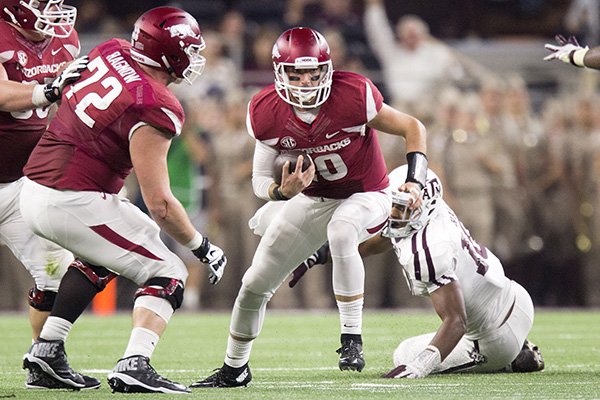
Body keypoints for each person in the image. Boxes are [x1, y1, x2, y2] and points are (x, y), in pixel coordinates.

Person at [191, 26, 428, 388]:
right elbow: (258, 181)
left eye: (314, 73)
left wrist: (414, 179)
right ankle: (234, 368)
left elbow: (413, 127)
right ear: (279, 72)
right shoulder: (265, 110)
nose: (306, 81)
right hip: (313, 199)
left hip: (366, 194)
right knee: (254, 284)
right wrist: (281, 192)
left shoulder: (354, 93)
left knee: (342, 229)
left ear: (327, 69)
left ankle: (351, 338)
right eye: (296, 73)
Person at [19, 6, 227, 393]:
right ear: (171, 53)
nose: (195, 58)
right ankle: (135, 363)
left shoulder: (109, 50)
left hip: (36, 188)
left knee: (102, 258)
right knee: (169, 271)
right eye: (191, 49)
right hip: (72, 198)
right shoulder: (157, 104)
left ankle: (46, 350)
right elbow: (161, 203)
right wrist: (202, 246)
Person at [295, 165, 545, 377]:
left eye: (400, 207)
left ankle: (512, 360)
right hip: (517, 299)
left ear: (421, 207)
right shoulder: (430, 212)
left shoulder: (431, 250)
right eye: (393, 204)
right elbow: (384, 238)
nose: (392, 213)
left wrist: (419, 367)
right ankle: (519, 346)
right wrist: (323, 254)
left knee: (404, 353)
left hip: (493, 338)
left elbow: (457, 321)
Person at [0, 0, 93, 390]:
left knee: (54, 271)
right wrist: (49, 88)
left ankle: (44, 361)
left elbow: (65, 105)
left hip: (20, 184)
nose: (54, 11)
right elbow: (3, 96)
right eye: (43, 2)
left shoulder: (64, 38)